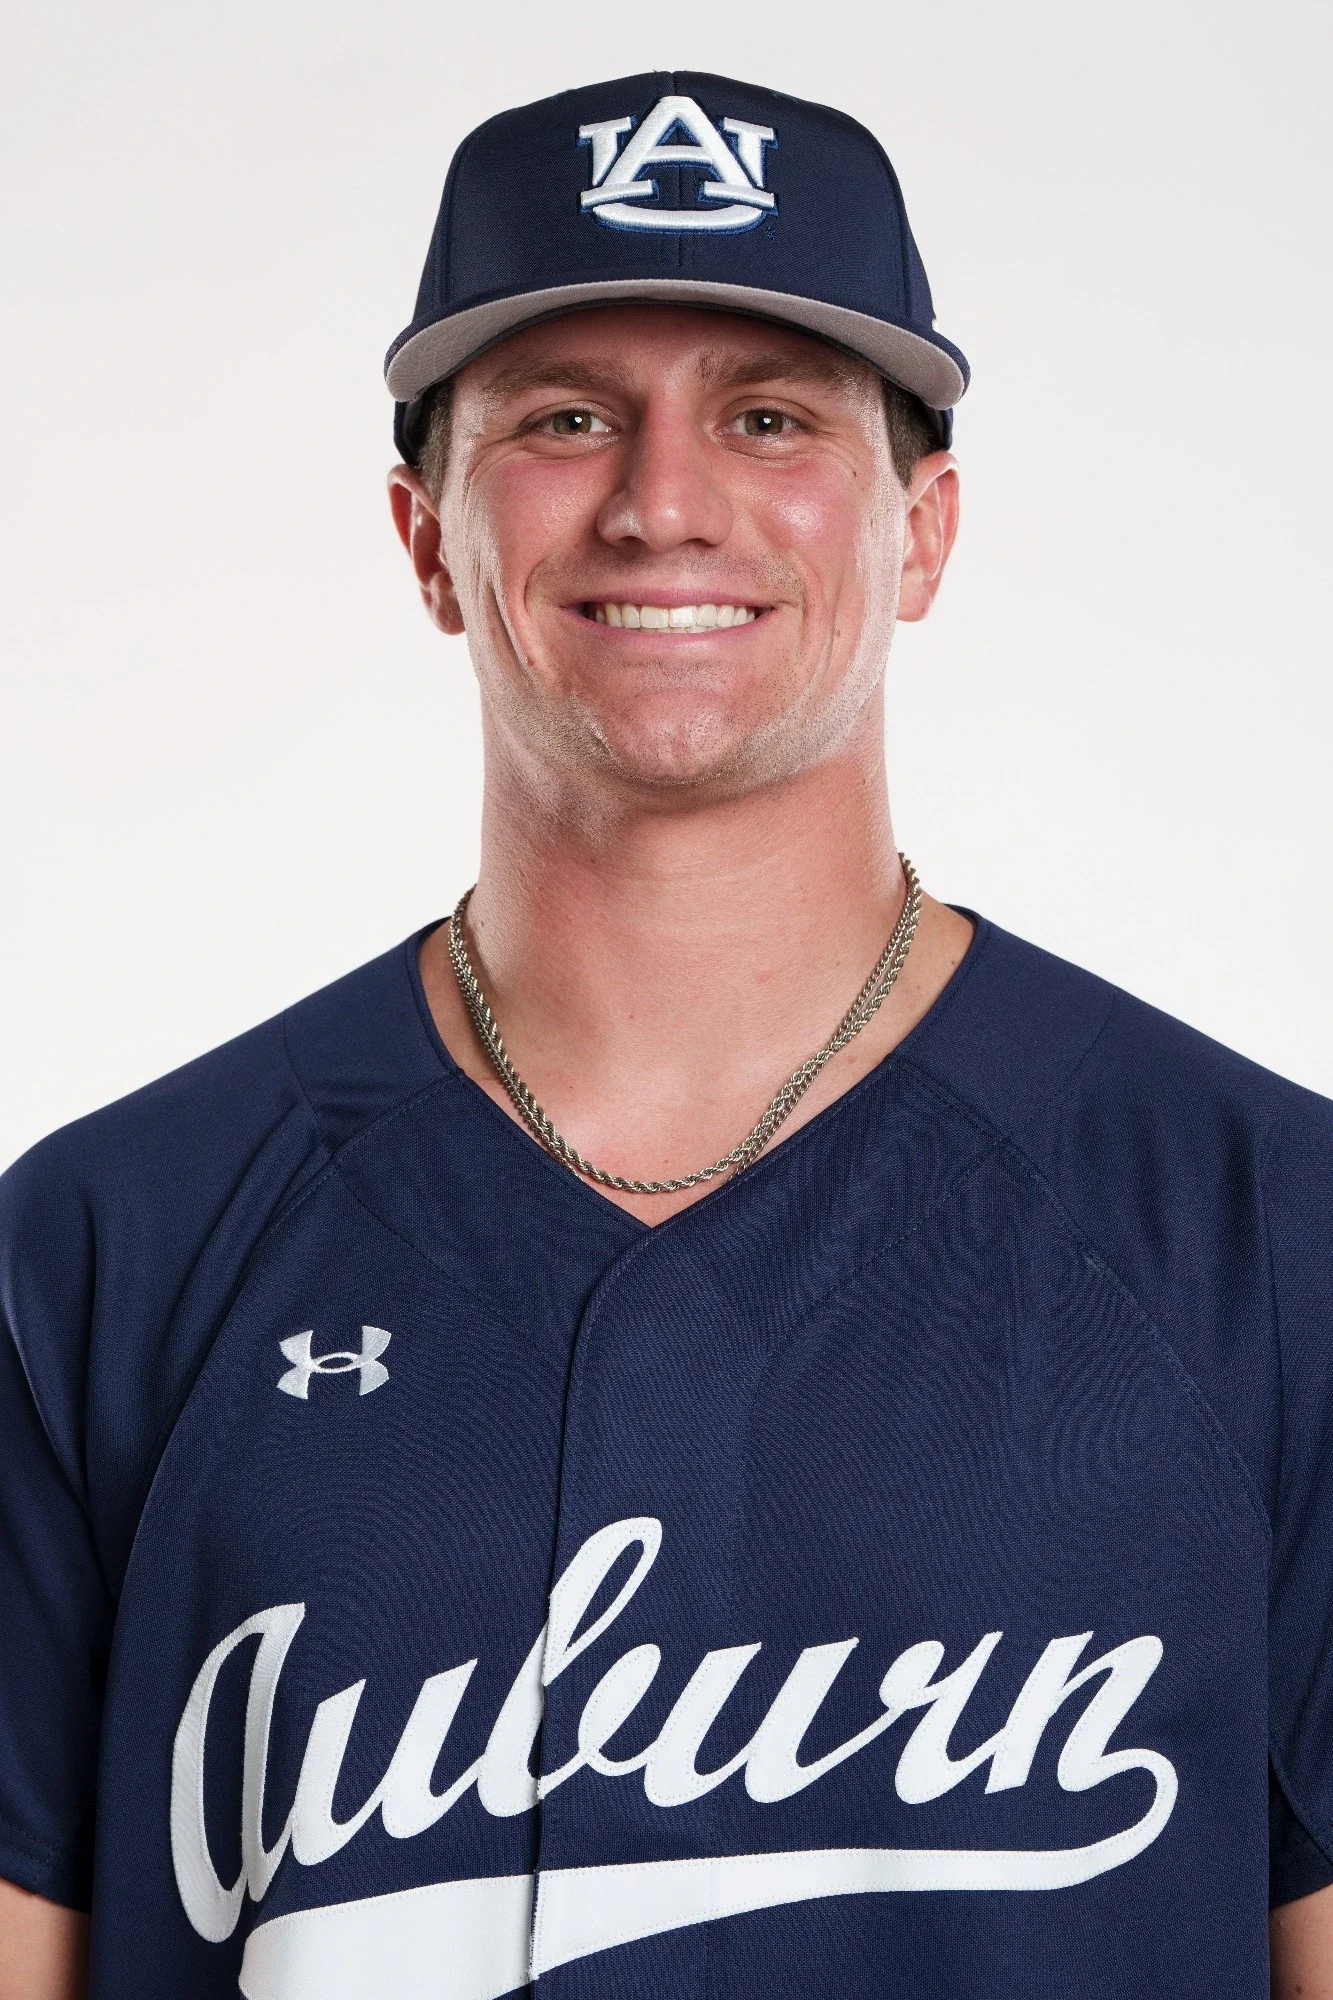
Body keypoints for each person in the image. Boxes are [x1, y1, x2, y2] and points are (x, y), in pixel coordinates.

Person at [1, 67, 1330, 2000]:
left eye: (769, 417)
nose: (664, 504)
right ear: (428, 540)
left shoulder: (1270, 1236)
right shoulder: (101, 1251)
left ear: (923, 534)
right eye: (564, 418)